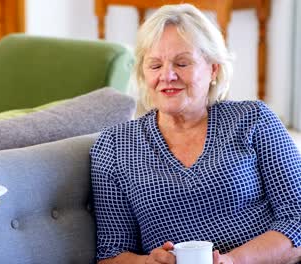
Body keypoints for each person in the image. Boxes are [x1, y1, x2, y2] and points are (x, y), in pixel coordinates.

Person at [91, 4, 301, 264]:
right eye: (155, 65)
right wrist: (145, 262)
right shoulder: (114, 146)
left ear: (213, 69)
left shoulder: (253, 119)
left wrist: (233, 261)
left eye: (182, 63)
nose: (167, 76)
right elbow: (111, 253)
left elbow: (297, 219)